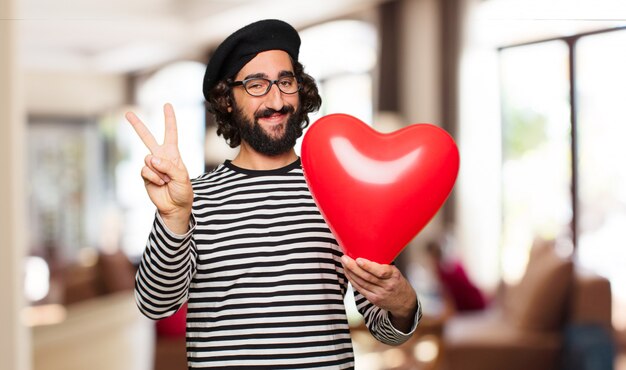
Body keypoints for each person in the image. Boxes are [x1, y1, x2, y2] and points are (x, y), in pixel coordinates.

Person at [126, 19, 421, 369]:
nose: (277, 99)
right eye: (256, 85)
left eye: (285, 81)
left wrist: (403, 303)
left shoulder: (340, 191)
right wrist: (174, 218)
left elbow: (383, 328)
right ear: (228, 101)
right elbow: (155, 304)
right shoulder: (193, 197)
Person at [425, 239, 487, 312]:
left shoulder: (443, 269)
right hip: (474, 298)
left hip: (472, 301)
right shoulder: (449, 264)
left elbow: (447, 294)